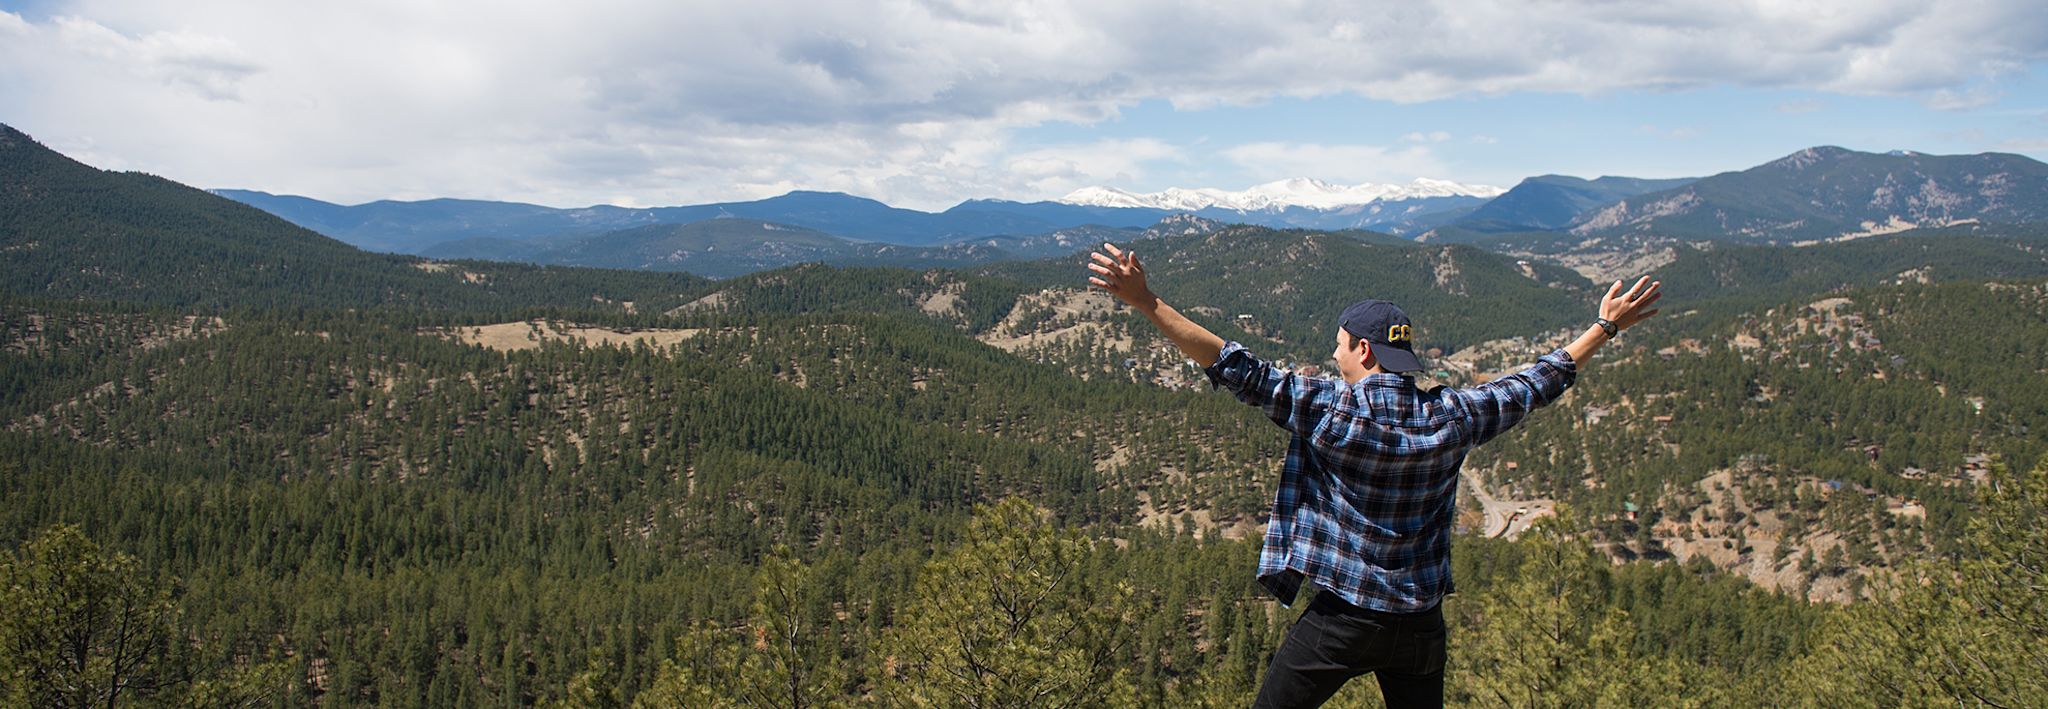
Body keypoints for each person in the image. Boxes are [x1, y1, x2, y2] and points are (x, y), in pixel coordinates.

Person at [1084, 242, 1662, 708]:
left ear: (1364, 350)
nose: (1334, 355)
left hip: (1343, 618)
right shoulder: (1455, 415)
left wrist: (1145, 301)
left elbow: (1234, 366)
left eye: (1339, 346)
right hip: (1420, 624)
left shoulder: (1329, 410)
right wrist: (1604, 328)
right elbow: (1535, 383)